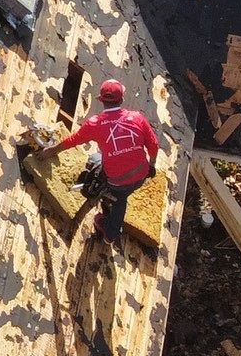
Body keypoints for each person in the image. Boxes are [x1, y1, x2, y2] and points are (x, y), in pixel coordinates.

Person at [29, 80, 162, 244]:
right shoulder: (137, 118)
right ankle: (110, 231)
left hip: (117, 183)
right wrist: (152, 166)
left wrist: (50, 151)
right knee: (121, 195)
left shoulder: (95, 124)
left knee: (95, 160)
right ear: (121, 99)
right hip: (141, 175)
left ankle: (110, 231)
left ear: (102, 100)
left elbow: (73, 140)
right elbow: (154, 145)